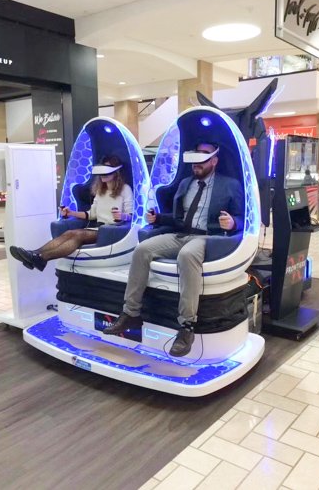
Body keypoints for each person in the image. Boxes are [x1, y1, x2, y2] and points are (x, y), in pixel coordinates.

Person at [103, 142, 244, 357]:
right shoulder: (186, 184)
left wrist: (233, 223)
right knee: (142, 250)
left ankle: (187, 326)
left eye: (203, 156)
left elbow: (243, 218)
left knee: (187, 255)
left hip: (209, 237)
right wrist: (158, 218)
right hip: (181, 234)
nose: (196, 162)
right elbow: (179, 218)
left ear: (214, 160)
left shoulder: (229, 185)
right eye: (195, 156)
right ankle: (131, 313)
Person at [10, 155, 133, 271]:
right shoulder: (100, 191)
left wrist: (122, 216)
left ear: (116, 172)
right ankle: (34, 254)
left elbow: (131, 216)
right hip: (97, 227)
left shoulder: (125, 189)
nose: (102, 174)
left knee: (78, 235)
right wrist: (71, 213)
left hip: (111, 230)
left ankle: (41, 258)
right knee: (69, 233)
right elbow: (91, 214)